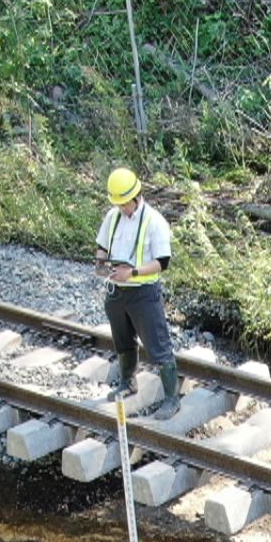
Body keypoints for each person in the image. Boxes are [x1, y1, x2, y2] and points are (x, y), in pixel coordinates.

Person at [95, 167, 179, 417]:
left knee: (158, 345)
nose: (122, 208)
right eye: (118, 204)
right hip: (117, 291)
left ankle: (172, 399)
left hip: (143, 291)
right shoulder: (113, 216)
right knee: (122, 339)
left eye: (124, 204)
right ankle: (128, 382)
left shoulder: (154, 221)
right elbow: (102, 245)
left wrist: (132, 273)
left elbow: (162, 262)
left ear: (135, 197)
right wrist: (100, 264)